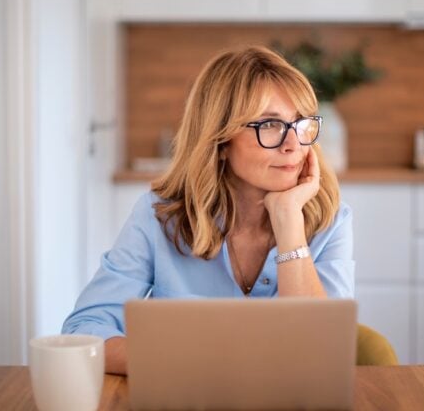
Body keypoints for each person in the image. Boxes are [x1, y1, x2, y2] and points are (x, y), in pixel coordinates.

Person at [62, 45, 355, 375]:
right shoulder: (159, 216)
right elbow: (84, 332)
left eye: (301, 124)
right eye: (269, 125)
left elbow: (322, 353)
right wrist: (193, 364)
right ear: (220, 142)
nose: (293, 145)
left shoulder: (330, 220)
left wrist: (288, 222)